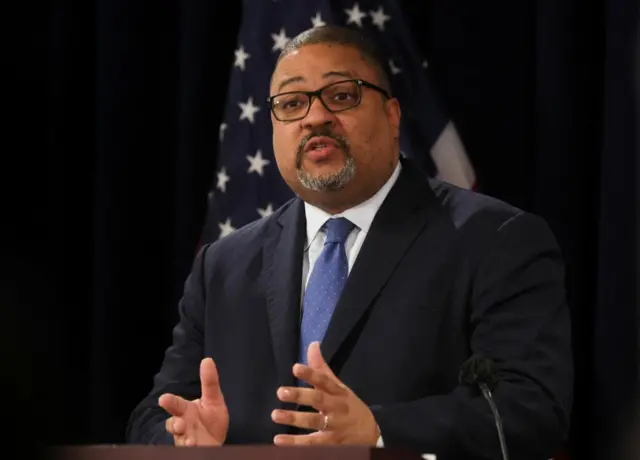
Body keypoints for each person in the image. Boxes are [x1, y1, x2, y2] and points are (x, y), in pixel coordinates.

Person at [126, 25, 573, 459]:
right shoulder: (223, 266)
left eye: (342, 96)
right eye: (292, 103)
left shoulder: (493, 239)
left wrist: (380, 430)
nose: (315, 117)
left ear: (392, 116)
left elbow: (531, 409)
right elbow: (153, 415)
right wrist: (182, 441)